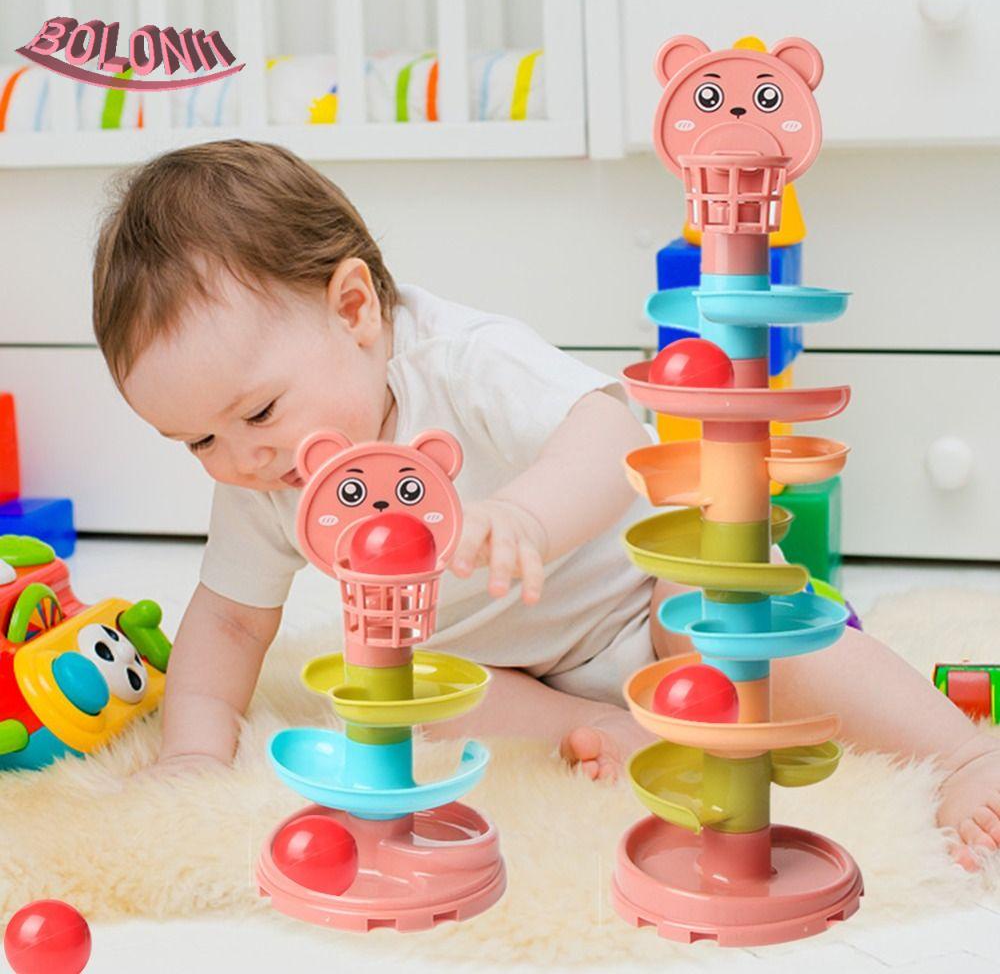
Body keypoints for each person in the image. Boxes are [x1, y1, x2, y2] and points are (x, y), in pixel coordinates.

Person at [92, 140, 999, 870]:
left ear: (355, 309)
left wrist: (527, 517)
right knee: (396, 698)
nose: (239, 458)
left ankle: (963, 756)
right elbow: (229, 622)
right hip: (513, 670)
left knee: (729, 619)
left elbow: (610, 432)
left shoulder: (465, 362)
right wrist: (194, 754)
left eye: (257, 413)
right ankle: (601, 727)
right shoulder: (268, 476)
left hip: (644, 594)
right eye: (196, 442)